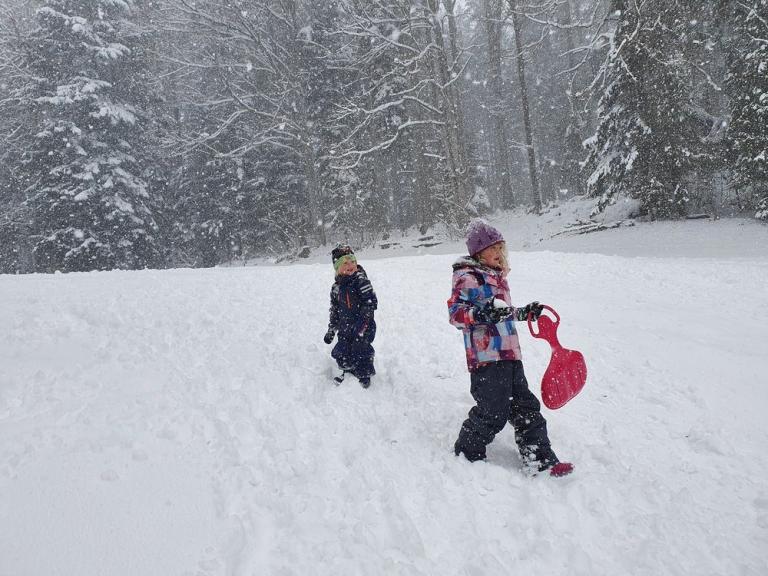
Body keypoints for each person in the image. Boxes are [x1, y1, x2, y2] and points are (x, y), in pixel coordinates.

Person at [447, 219, 573, 477]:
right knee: (493, 410)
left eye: (501, 248)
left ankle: (540, 460)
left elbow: (502, 312)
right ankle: (467, 451)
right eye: (493, 249)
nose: (499, 253)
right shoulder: (467, 277)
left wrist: (524, 313)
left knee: (526, 407)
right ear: (478, 252)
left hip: (510, 354)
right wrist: (480, 314)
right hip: (486, 357)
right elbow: (456, 314)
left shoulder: (496, 277)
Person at [323, 245, 378, 388]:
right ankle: (348, 370)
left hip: (363, 324)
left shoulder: (361, 281)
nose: (350, 265)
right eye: (345, 263)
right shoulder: (336, 288)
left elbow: (371, 302)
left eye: (353, 261)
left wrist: (363, 324)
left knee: (361, 349)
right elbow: (334, 310)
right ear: (337, 268)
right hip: (345, 326)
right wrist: (331, 329)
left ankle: (364, 375)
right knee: (343, 349)